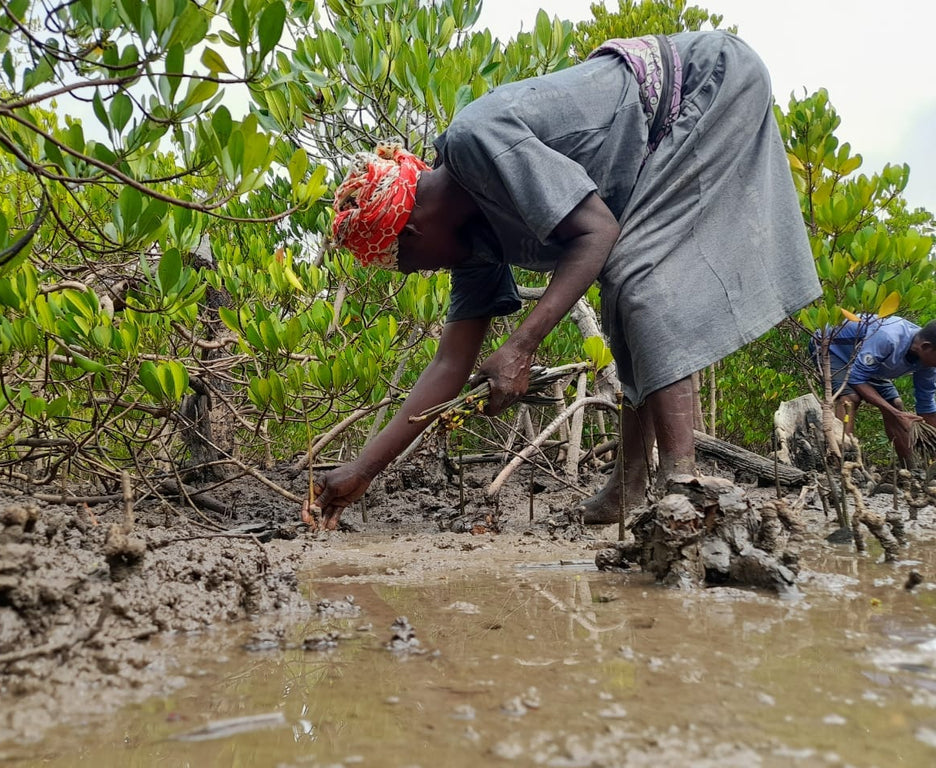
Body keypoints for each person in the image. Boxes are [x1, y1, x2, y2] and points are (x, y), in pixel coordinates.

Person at [301, 31, 822, 531]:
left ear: (414, 230)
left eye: (414, 263)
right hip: (669, 123)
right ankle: (632, 484)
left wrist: (523, 345)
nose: (428, 270)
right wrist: (363, 470)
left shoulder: (475, 142)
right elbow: (449, 363)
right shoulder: (473, 244)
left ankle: (680, 486)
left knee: (637, 275)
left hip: (707, 83)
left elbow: (597, 232)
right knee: (625, 286)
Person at [815, 314, 936, 463]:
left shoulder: (928, 363)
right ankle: (843, 460)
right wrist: (896, 414)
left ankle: (911, 468)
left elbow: (926, 405)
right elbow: (856, 378)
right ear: (926, 347)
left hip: (866, 363)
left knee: (895, 404)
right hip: (831, 347)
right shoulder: (889, 337)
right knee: (850, 399)